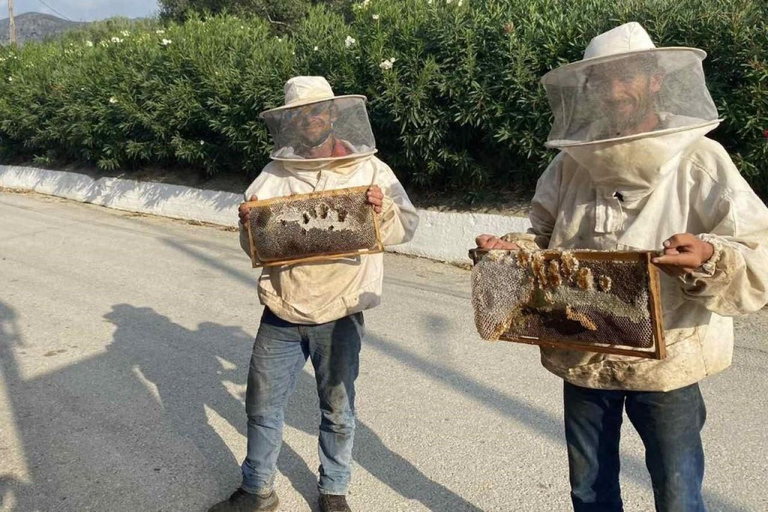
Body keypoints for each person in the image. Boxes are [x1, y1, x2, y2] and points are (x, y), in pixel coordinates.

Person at [476, 22, 768, 511]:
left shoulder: (700, 158)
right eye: (602, 81)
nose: (614, 91)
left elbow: (755, 245)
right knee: (590, 491)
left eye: (627, 76)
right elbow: (542, 238)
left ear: (655, 79)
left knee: (677, 494)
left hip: (667, 358)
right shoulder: (571, 162)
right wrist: (510, 252)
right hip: (584, 349)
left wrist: (710, 256)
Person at [209, 76, 419, 512]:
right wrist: (248, 225)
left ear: (334, 113)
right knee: (261, 405)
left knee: (338, 409)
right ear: (290, 121)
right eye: (302, 114)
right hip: (282, 309)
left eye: (319, 110)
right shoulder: (272, 175)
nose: (312, 119)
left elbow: (407, 226)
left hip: (341, 309)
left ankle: (334, 491)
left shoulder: (372, 169)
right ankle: (257, 489)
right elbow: (255, 247)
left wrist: (385, 209)